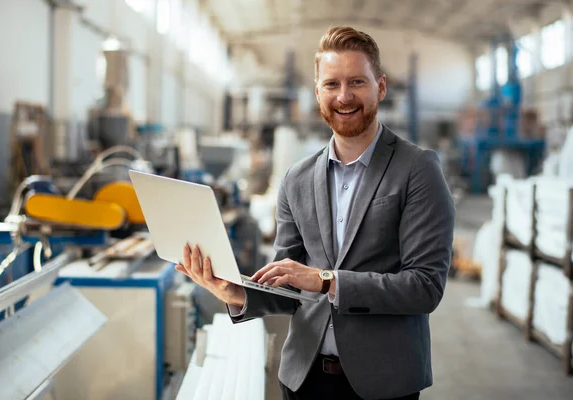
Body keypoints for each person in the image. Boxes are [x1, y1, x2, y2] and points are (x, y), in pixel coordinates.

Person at [175, 25, 455, 400]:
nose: (344, 96)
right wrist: (235, 292)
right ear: (317, 93)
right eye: (331, 84)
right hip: (303, 380)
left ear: (381, 87)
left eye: (357, 81)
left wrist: (327, 279)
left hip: (383, 384)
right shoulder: (297, 178)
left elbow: (425, 287)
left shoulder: (417, 168)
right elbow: (288, 281)